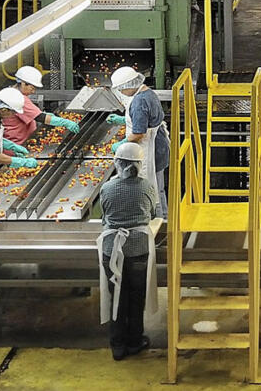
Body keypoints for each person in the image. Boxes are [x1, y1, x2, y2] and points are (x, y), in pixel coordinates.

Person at [98, 142, 160, 361]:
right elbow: (153, 214)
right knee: (136, 297)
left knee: (116, 296)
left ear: (117, 163)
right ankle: (135, 341)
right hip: (138, 249)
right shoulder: (147, 187)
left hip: (111, 249)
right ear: (139, 164)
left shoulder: (107, 188)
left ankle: (117, 345)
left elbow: (104, 217)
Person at [108, 66, 169, 222]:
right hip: (159, 143)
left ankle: (157, 221)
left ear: (129, 86)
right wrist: (123, 120)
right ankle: (164, 218)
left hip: (150, 148)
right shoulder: (148, 93)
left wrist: (121, 144)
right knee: (159, 186)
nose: (121, 92)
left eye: (121, 89)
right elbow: (148, 118)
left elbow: (139, 133)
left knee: (151, 187)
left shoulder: (139, 101)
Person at [1, 65, 80, 146]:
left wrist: (40, 114)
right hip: (19, 144)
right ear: (23, 83)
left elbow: (27, 114)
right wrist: (66, 122)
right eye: (32, 88)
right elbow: (41, 118)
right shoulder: (18, 97)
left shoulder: (11, 91)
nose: (33, 92)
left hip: (21, 140)